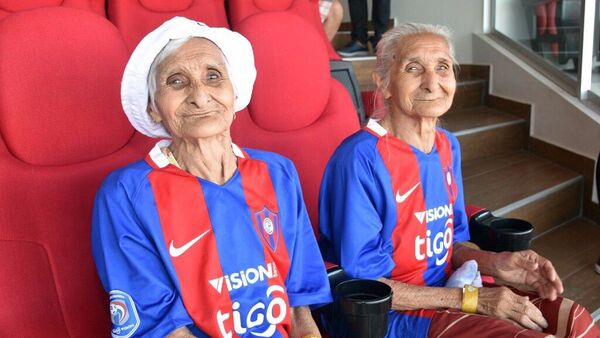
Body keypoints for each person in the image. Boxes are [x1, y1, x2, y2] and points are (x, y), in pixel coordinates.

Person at [319, 22, 600, 337]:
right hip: (390, 315)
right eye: (414, 68)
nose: (432, 82)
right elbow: (366, 288)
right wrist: (472, 300)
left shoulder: (447, 145)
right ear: (383, 82)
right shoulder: (359, 159)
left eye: (442, 67)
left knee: (576, 321)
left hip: (453, 287)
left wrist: (495, 263)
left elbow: (449, 242)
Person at [91, 17, 331, 338]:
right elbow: (162, 327)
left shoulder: (277, 173)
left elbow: (298, 304)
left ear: (236, 93)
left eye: (213, 77)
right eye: (176, 81)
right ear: (153, 108)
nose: (200, 97)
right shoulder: (126, 194)